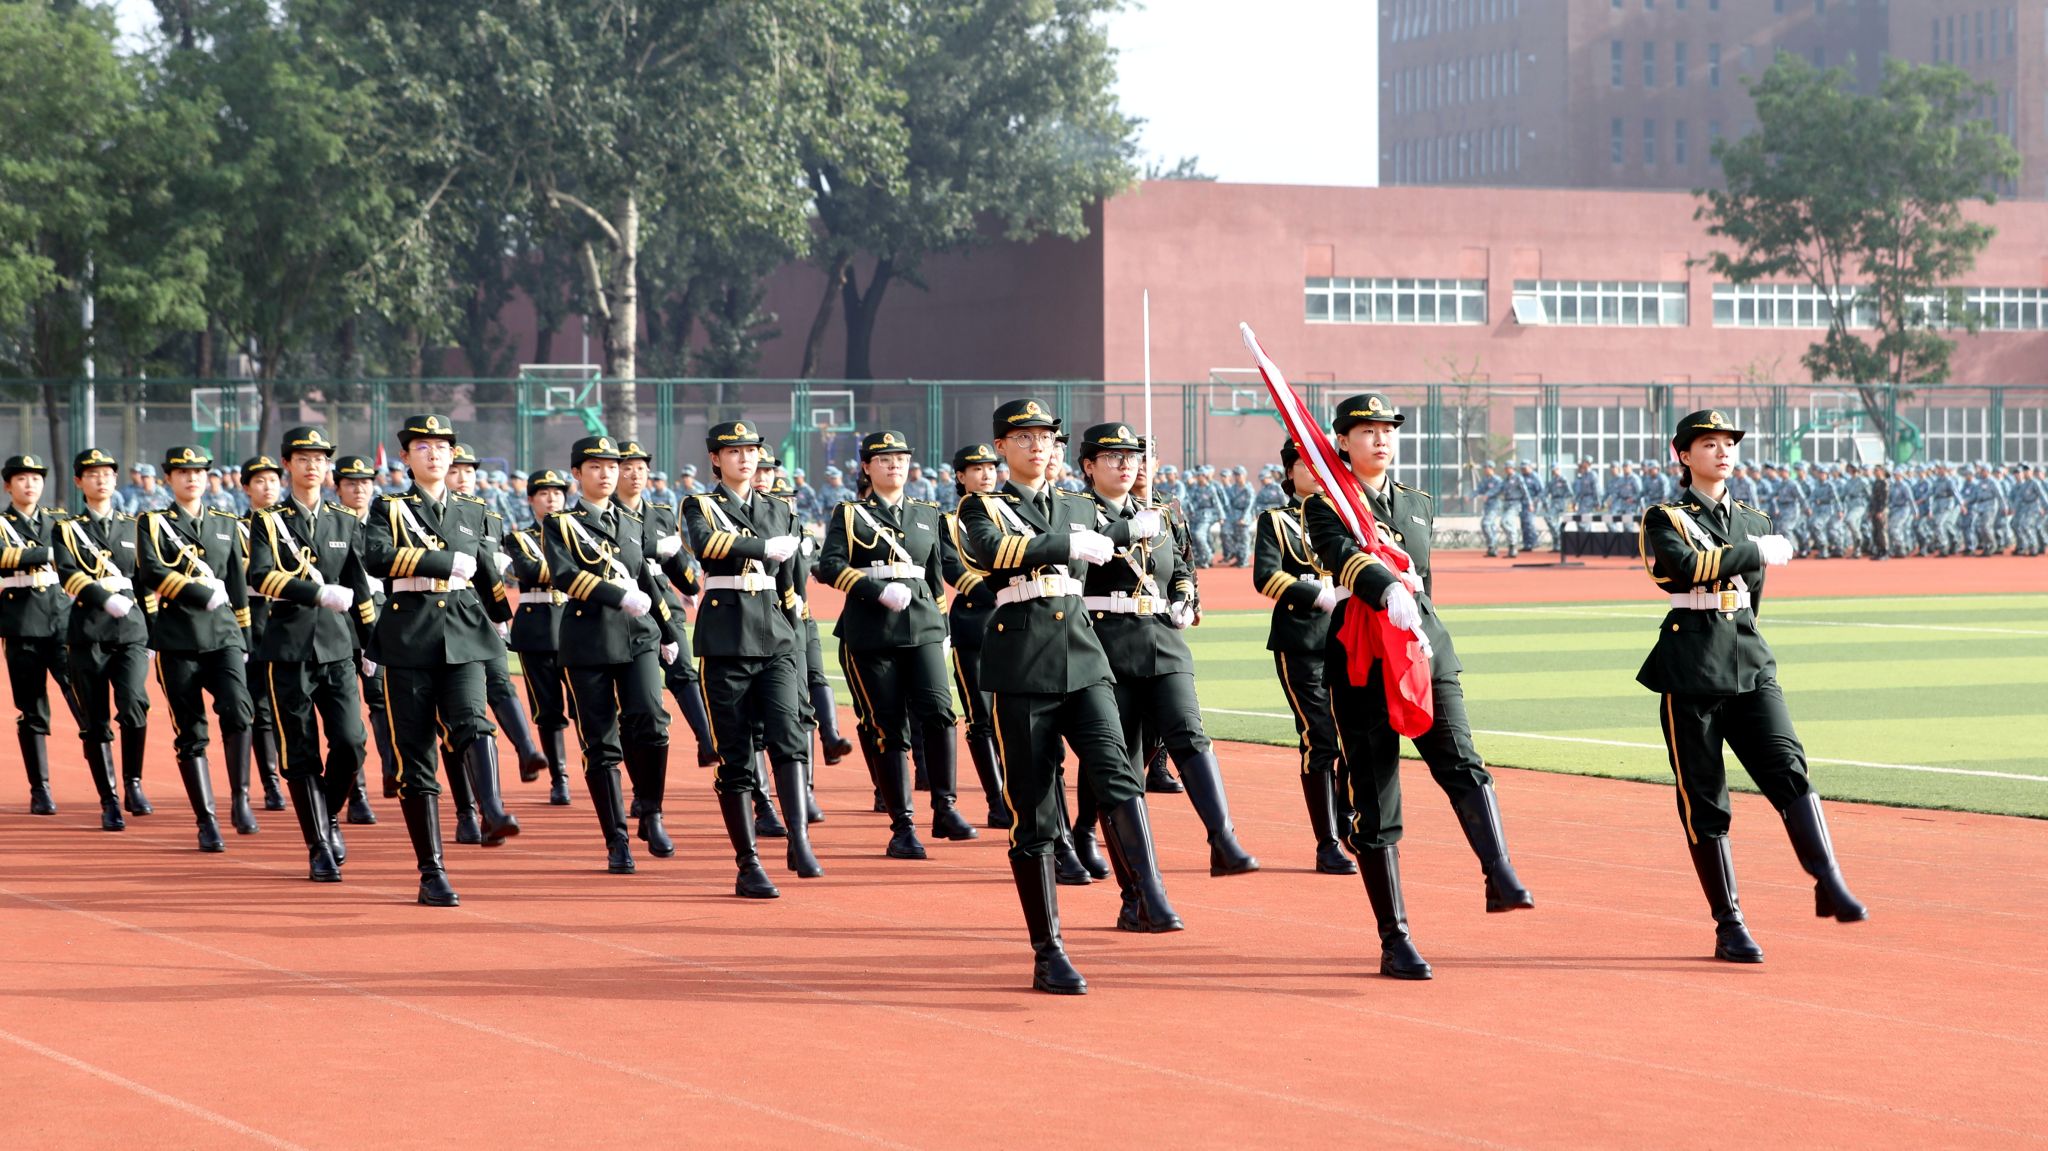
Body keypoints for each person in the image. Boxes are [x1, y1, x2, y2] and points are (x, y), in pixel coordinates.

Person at [955, 397, 1185, 995]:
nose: (1038, 446)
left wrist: (1136, 526)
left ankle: (1144, 894)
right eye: (1024, 437)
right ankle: (1047, 949)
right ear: (1001, 446)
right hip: (1023, 666)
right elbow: (990, 553)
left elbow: (1112, 535)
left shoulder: (1078, 503)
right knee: (1034, 815)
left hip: (1086, 659)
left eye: (1047, 437)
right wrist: (1068, 544)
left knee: (1118, 775)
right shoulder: (982, 506)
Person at [1303, 394, 1535, 981]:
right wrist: (1385, 588)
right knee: (1378, 798)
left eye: (1388, 430)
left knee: (1460, 759)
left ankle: (1499, 870)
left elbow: (1425, 580)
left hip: (1423, 649)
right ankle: (1395, 937)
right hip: (1362, 659)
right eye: (1366, 430)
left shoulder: (1415, 502)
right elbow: (1343, 557)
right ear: (1344, 441)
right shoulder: (1327, 503)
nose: (1381, 439)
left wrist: (1414, 612)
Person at [1636, 410, 1868, 963]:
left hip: (1748, 660)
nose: (1722, 452)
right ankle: (1729, 923)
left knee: (1789, 768)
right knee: (1705, 800)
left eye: (1728, 443)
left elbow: (1750, 598)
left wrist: (1750, 556)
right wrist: (1753, 552)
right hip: (1691, 667)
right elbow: (1686, 568)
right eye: (1708, 444)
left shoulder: (1754, 518)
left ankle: (1827, 879)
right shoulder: (1664, 516)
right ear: (1683, 454)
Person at [1076, 423, 1257, 878]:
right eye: (1113, 456)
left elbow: (1179, 566)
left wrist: (1183, 597)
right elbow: (1075, 560)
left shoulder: (1160, 513)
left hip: (1160, 637)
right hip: (1104, 640)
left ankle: (1223, 838)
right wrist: (1122, 531)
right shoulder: (1072, 511)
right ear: (1089, 466)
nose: (1125, 464)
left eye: (1132, 456)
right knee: (1117, 755)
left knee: (1189, 732)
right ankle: (1084, 832)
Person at [363, 414, 520, 907]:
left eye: (442, 446)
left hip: (464, 632)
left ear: (453, 455)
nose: (434, 453)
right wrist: (437, 561)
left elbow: (488, 569)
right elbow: (376, 558)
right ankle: (431, 871)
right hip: (409, 634)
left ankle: (491, 807)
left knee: (475, 722)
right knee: (417, 760)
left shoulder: (473, 509)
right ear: (406, 456)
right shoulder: (388, 507)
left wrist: (502, 617)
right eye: (422, 446)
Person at [819, 428, 980, 859]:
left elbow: (943, 569)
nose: (895, 464)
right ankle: (902, 826)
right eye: (885, 458)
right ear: (867, 467)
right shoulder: (850, 515)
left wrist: (978, 598)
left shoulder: (928, 513)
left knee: (942, 714)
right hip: (872, 631)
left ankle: (945, 807)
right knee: (889, 727)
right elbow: (829, 565)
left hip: (923, 629)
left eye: (902, 458)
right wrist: (874, 591)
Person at [681, 420, 815, 897]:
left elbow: (793, 574)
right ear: (715, 459)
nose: (744, 458)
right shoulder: (700, 504)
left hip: (775, 637)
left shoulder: (778, 507)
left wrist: (795, 611)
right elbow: (708, 544)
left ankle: (798, 837)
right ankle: (748, 862)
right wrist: (761, 547)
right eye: (733, 451)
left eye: (751, 450)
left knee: (789, 733)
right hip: (726, 639)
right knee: (736, 755)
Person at [545, 436, 690, 876]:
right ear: (576, 474)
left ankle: (651, 809)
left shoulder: (631, 520)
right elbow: (566, 575)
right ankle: (617, 839)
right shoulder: (561, 524)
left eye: (612, 466)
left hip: (639, 635)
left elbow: (647, 578)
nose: (607, 473)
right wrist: (614, 595)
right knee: (601, 741)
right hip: (588, 639)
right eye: (595, 466)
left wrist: (668, 632)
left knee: (651, 719)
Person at [245, 426, 376, 882]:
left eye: (320, 459)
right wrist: (315, 592)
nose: (313, 466)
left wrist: (371, 644)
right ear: (288, 465)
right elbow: (261, 576)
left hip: (338, 647)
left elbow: (359, 588)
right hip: (288, 648)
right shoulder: (267, 521)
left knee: (351, 742)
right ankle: (318, 844)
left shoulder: (345, 520)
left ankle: (328, 811)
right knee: (298, 751)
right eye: (303, 458)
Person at [135, 445, 256, 852]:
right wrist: (193, 591)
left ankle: (240, 798)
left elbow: (237, 583)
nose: (192, 478)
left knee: (240, 711)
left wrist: (245, 638)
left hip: (223, 636)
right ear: (169, 478)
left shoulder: (225, 522)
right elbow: (149, 570)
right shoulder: (153, 523)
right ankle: (206, 820)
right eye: (183, 472)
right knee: (191, 731)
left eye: (199, 472)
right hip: (178, 639)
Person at [1252, 437, 1354, 876]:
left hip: (1350, 638)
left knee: (1354, 736)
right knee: (1321, 737)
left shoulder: (1347, 517)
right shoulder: (1274, 520)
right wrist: (1316, 593)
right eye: (1304, 464)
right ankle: (1326, 841)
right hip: (1302, 640)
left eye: (1322, 463)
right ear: (1289, 472)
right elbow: (1266, 577)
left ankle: (1349, 820)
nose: (1314, 471)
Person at [53, 448, 151, 829]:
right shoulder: (67, 529)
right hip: (87, 631)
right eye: (92, 474)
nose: (101, 479)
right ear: (79, 482)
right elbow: (68, 574)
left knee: (134, 704)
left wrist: (153, 633)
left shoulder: (134, 525)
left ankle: (134, 782)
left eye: (107, 473)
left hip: (131, 631)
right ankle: (108, 799)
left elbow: (144, 582)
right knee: (94, 720)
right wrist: (103, 598)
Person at [616, 441, 720, 774]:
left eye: (641, 468)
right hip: (625, 604)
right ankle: (639, 781)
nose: (635, 475)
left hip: (663, 598)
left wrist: (690, 586)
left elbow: (676, 558)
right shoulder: (607, 514)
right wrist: (652, 546)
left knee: (684, 672)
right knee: (635, 702)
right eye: (627, 467)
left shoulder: (660, 513)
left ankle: (707, 742)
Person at [1, 451, 82, 816]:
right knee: (32, 708)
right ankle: (41, 789)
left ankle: (108, 786)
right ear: (8, 486)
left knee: (84, 700)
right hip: (22, 626)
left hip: (64, 622)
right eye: (21, 478)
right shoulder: (2, 524)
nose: (30, 483)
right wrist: (48, 553)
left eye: (35, 478)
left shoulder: (61, 521)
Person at [938, 443, 1011, 829]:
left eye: (990, 467)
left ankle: (1019, 793)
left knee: (1017, 715)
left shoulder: (1013, 512)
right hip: (976, 622)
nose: (986, 474)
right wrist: (998, 594)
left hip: (1019, 621)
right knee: (981, 717)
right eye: (976, 468)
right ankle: (996, 799)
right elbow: (952, 568)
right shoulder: (948, 522)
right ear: (960, 477)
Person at [501, 468, 575, 806]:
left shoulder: (579, 533)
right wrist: (570, 569)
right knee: (548, 709)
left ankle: (598, 768)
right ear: (531, 500)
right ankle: (560, 778)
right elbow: (528, 571)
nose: (552, 499)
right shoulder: (520, 538)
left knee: (589, 706)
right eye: (544, 494)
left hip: (576, 627)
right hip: (538, 629)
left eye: (558, 493)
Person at [332, 454, 393, 816]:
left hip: (380, 623)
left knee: (381, 698)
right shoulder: (331, 524)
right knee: (346, 712)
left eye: (366, 482)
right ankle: (357, 793)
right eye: (351, 483)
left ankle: (391, 769)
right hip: (340, 624)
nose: (359, 489)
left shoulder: (383, 524)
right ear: (337, 487)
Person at [237, 455, 289, 828]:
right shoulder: (238, 528)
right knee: (260, 706)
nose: (267, 486)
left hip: (290, 619)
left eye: (272, 480)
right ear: (246, 488)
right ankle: (271, 782)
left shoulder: (290, 526)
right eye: (259, 481)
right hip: (255, 621)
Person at [1473, 463, 1504, 557]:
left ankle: (1492, 545)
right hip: (1487, 506)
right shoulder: (1485, 480)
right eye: (1484, 468)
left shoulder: (1497, 480)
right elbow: (1478, 490)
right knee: (1492, 527)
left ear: (1492, 468)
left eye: (1487, 468)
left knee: (1485, 524)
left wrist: (1488, 494)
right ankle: (1492, 549)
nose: (1485, 470)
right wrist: (1470, 496)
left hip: (1495, 505)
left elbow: (1497, 490)